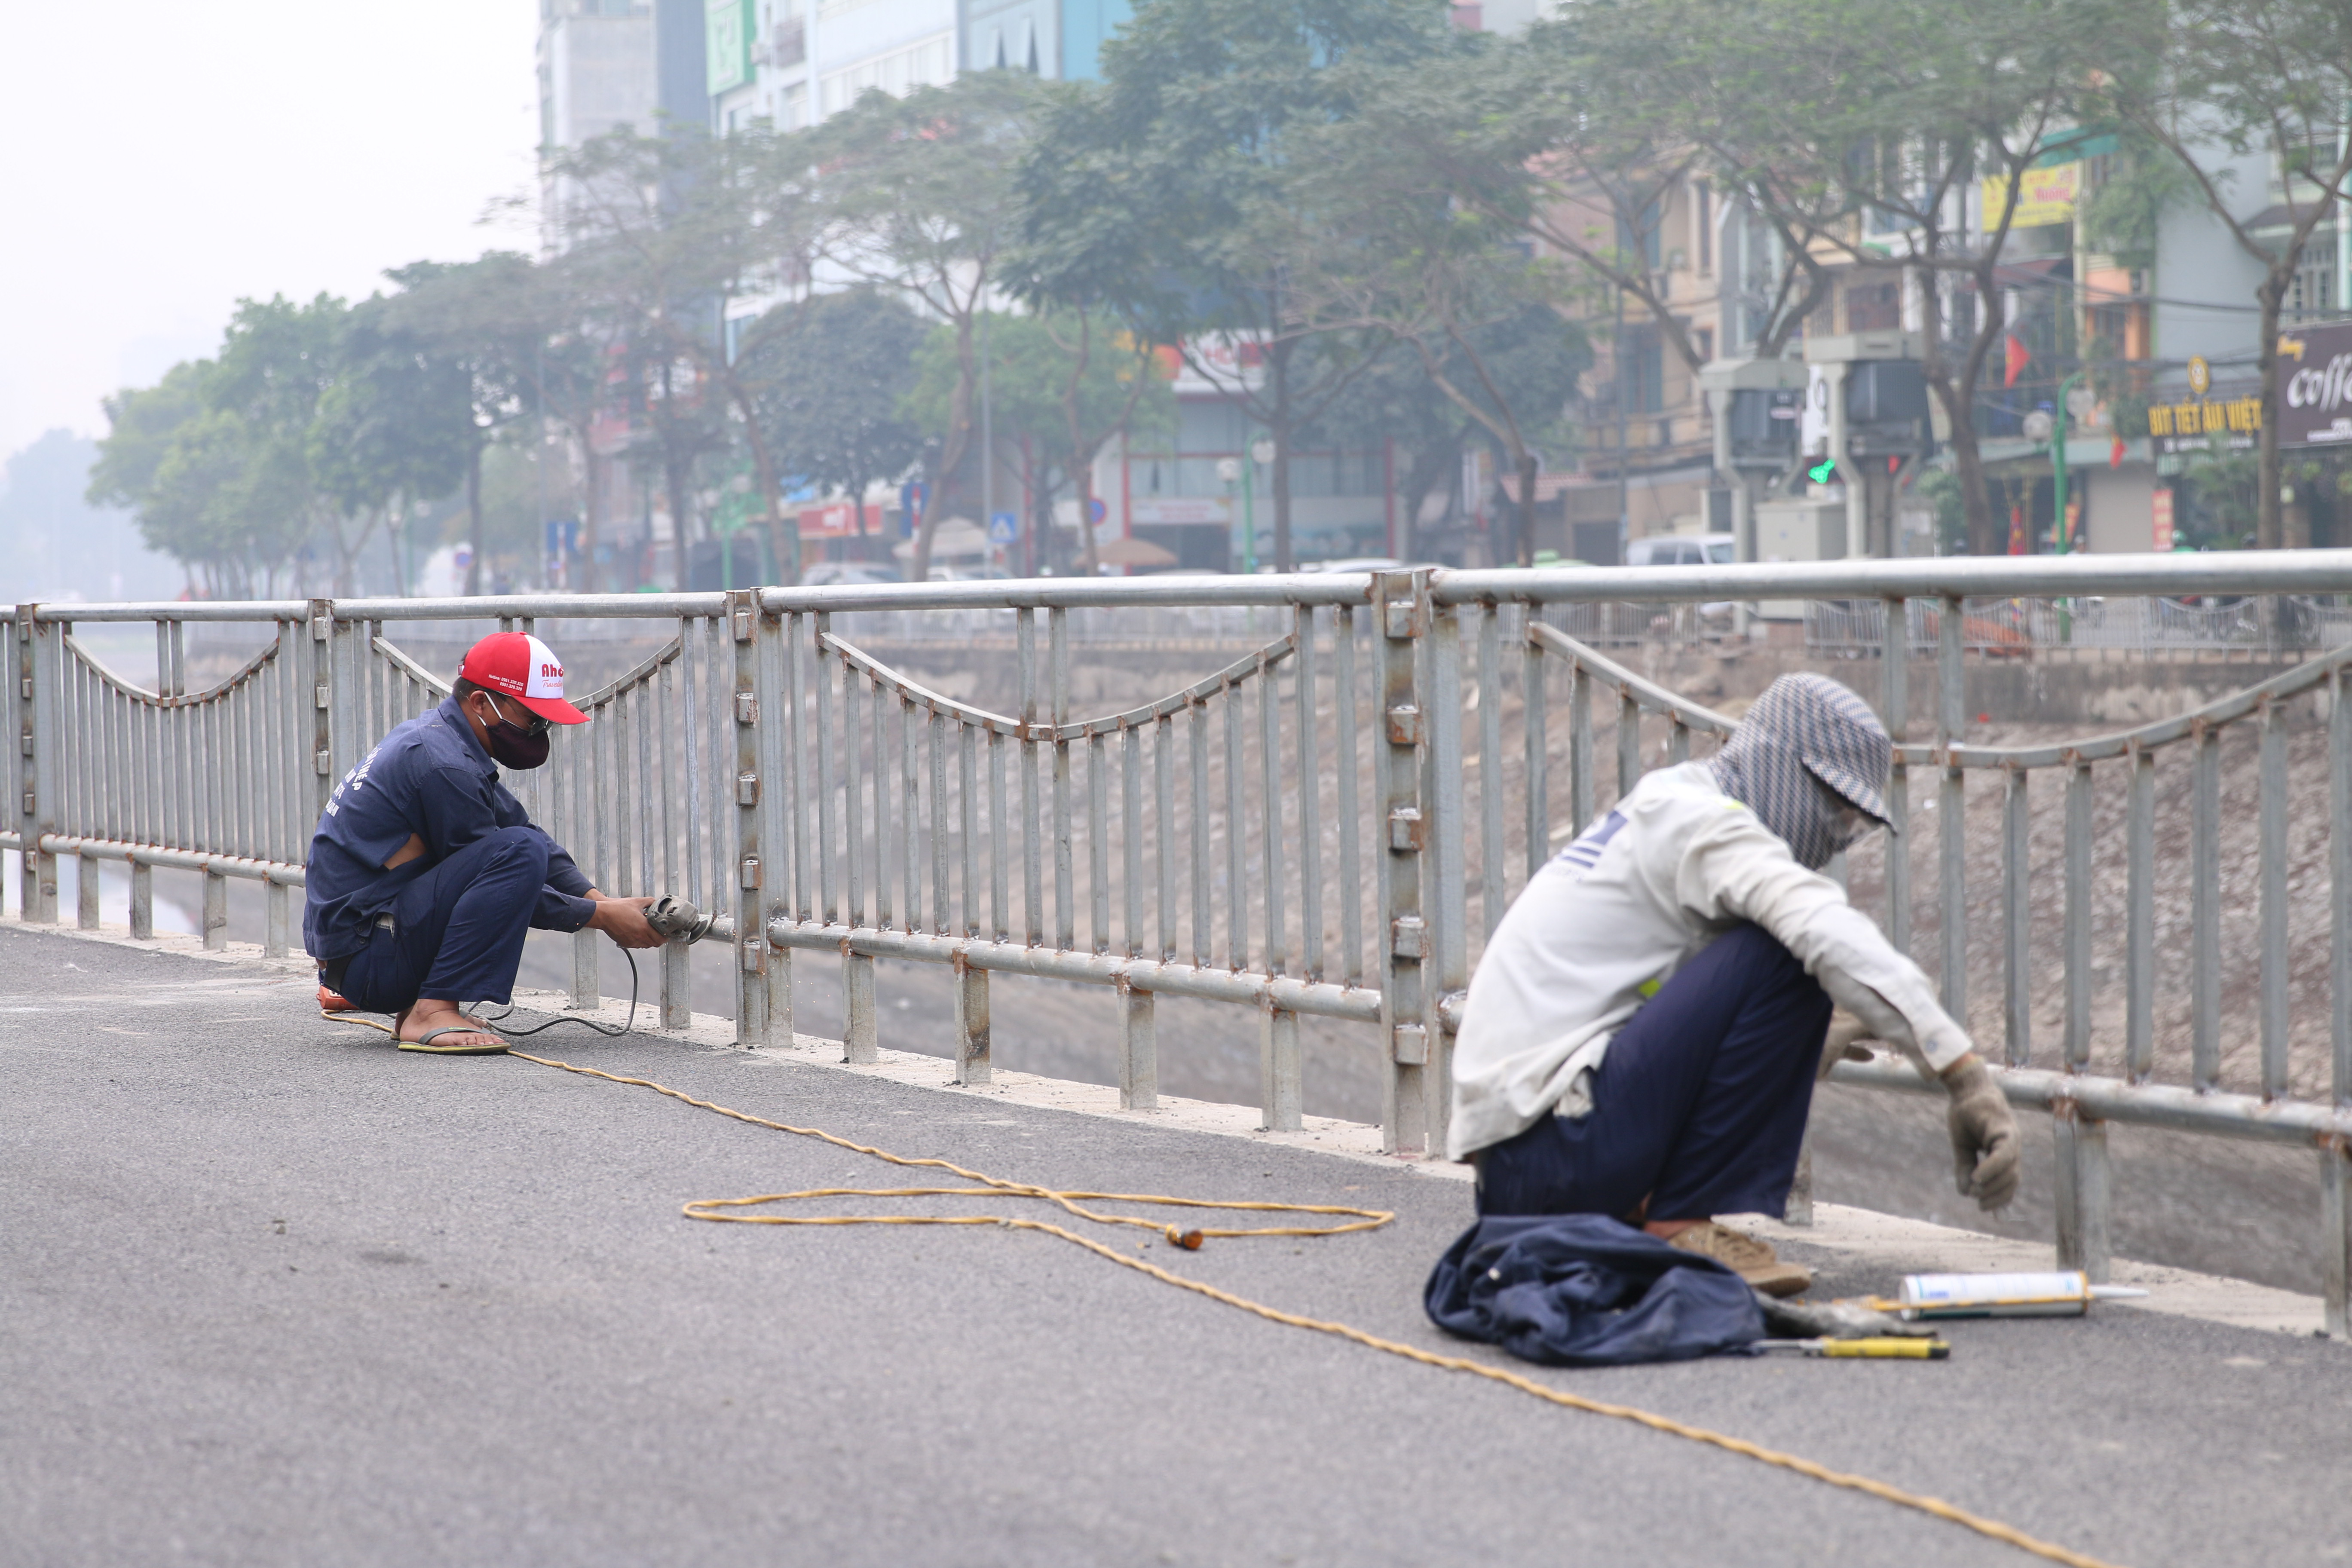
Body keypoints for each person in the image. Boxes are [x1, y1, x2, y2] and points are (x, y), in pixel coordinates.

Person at [1449, 673, 2019, 1297]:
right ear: (1777, 762)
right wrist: (1964, 1078)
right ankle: (1679, 1222)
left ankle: (1641, 1212)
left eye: (1853, 822)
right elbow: (1824, 930)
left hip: (1524, 1167)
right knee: (1790, 948)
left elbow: (1677, 995)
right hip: (1553, 1153)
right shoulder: (1709, 826)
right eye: (1834, 806)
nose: (1836, 835)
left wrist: (1808, 1030)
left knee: (1793, 954)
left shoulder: (1671, 803)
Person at [303, 632, 664, 1054]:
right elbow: (507, 878)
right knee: (516, 853)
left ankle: (422, 1005)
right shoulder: (443, 766)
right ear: (480, 703)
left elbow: (527, 836)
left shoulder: (440, 740)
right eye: (533, 719)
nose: (539, 730)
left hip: (361, 953)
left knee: (521, 843)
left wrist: (599, 899)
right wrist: (602, 917)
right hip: (369, 963)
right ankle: (430, 1011)